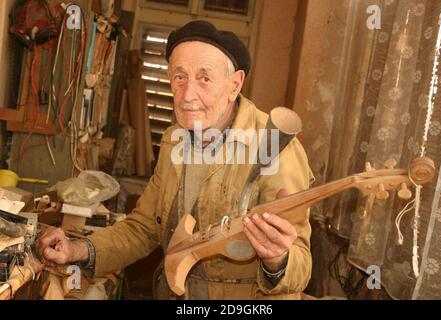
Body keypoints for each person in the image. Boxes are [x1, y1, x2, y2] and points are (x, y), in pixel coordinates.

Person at [37, 20, 314, 299]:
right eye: (180, 77)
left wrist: (277, 260)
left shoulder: (275, 146)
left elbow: (301, 266)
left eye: (204, 78)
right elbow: (143, 228)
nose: (188, 94)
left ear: (235, 84)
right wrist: (77, 249)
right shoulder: (175, 140)